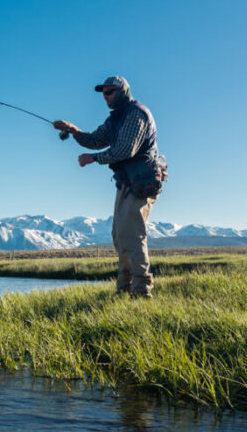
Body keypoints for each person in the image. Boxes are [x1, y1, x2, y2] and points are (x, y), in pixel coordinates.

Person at [53, 76, 164, 298]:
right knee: (119, 234)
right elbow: (94, 139)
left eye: (110, 92)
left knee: (131, 234)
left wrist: (93, 159)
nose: (106, 97)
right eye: (103, 94)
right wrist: (73, 130)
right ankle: (124, 288)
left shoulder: (136, 113)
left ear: (122, 91)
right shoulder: (114, 118)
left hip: (143, 181)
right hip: (127, 181)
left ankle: (142, 291)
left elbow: (125, 150)